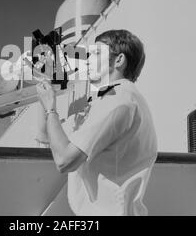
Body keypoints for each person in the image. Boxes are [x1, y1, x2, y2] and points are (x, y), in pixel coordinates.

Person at [36, 29, 158, 216]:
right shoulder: (125, 97)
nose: (88, 59)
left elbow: (64, 160)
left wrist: (50, 107)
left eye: (96, 53)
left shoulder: (117, 99)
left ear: (119, 60)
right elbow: (50, 141)